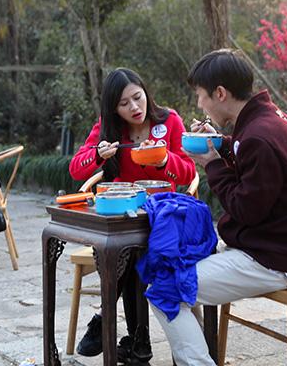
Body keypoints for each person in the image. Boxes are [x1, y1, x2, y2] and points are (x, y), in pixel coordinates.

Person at [150, 49, 287, 365]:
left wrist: (213, 165)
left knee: (165, 290)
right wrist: (220, 144)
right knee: (171, 264)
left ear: (220, 93)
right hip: (277, 249)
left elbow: (246, 209)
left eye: (202, 96)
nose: (200, 104)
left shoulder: (259, 136)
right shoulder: (268, 121)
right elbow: (252, 161)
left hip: (273, 260)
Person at [69, 68, 196, 363]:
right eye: (124, 104)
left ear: (145, 92)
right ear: (114, 108)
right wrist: (99, 154)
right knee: (129, 250)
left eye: (137, 98)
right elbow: (76, 168)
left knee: (132, 253)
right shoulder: (108, 129)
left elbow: (189, 172)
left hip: (164, 218)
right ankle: (137, 344)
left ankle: (107, 319)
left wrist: (164, 158)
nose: (134, 108)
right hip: (123, 218)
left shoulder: (169, 122)